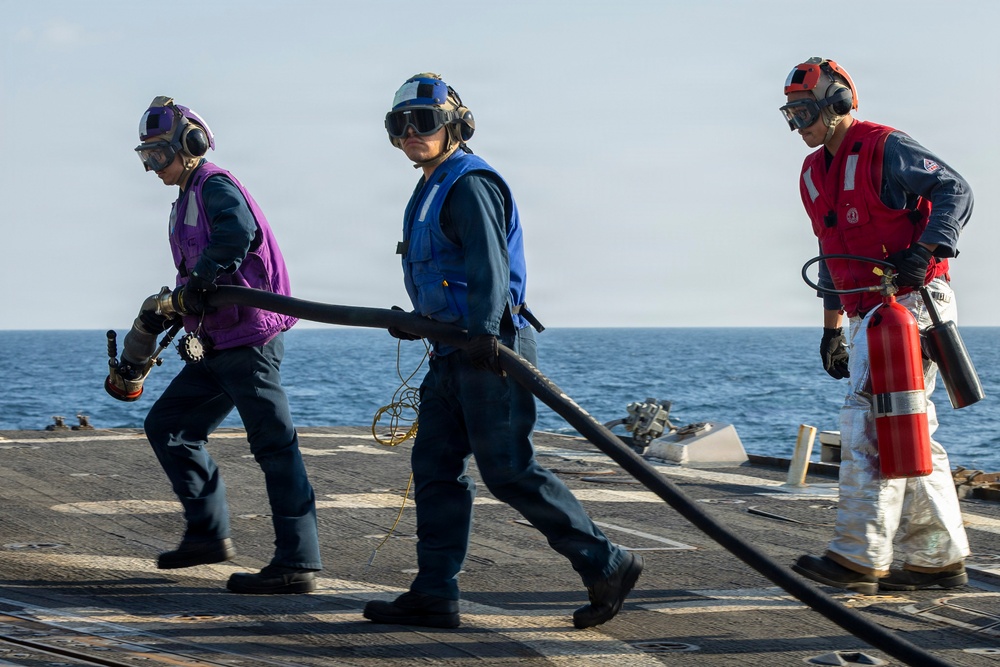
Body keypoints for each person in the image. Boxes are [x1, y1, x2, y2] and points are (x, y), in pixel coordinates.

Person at [362, 73, 642, 629]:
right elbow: (445, 272)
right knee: (435, 468)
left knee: (508, 470)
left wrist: (486, 334)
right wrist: (420, 323)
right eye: (400, 125)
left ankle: (607, 562)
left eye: (423, 122)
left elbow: (487, 265)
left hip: (491, 349)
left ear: (454, 126)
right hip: (451, 351)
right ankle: (434, 592)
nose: (411, 133)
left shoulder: (469, 184)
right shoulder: (430, 185)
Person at [780, 59, 973, 595]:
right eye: (791, 114)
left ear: (838, 103)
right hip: (869, 314)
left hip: (912, 305)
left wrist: (925, 251)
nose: (800, 124)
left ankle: (857, 556)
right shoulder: (812, 174)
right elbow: (831, 250)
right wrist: (831, 328)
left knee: (867, 424)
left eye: (806, 110)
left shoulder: (886, 148)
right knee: (908, 431)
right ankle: (938, 558)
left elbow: (955, 190)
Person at [130, 96, 321, 594]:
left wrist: (202, 278)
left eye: (158, 154)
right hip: (215, 338)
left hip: (249, 338)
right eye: (145, 156)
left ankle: (297, 563)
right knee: (169, 425)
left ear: (189, 145)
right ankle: (208, 534)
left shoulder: (214, 186)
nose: (152, 166)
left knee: (275, 446)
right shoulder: (186, 197)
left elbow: (239, 233)